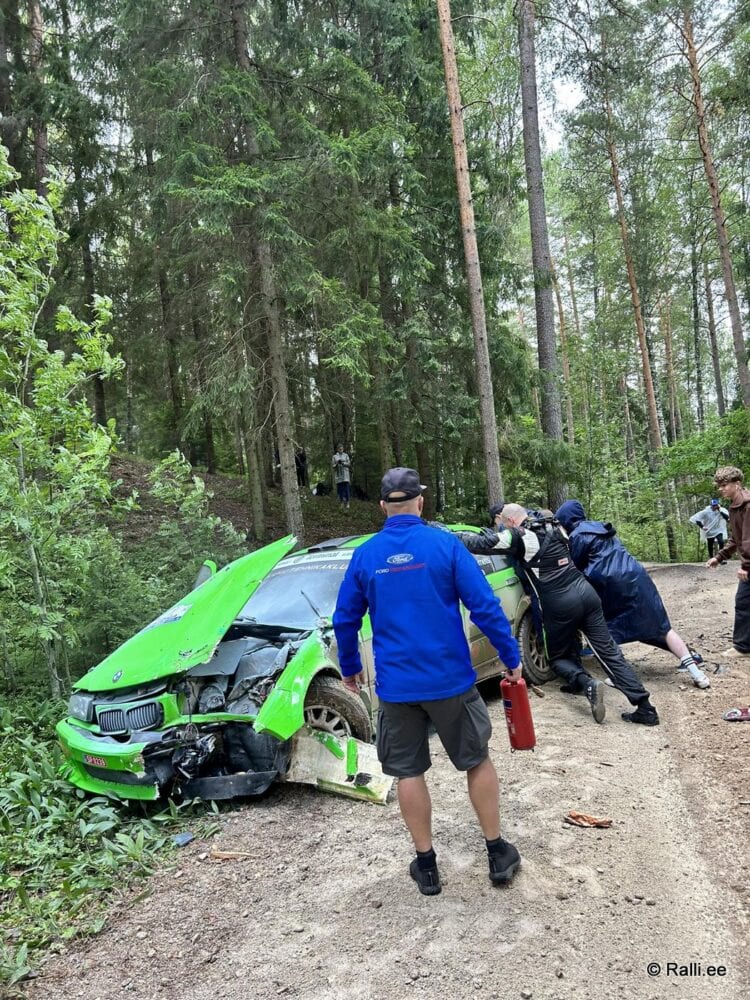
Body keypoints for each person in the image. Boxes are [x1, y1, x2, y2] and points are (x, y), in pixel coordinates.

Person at [332, 468, 523, 896]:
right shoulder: (444, 546)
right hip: (451, 681)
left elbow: (344, 618)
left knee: (408, 772)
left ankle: (427, 866)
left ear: (383, 506)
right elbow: (485, 607)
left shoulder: (366, 555)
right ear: (421, 502)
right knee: (476, 760)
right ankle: (496, 853)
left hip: (398, 688)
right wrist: (510, 658)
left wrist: (349, 667)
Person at [461, 504, 660, 726]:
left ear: (509, 521)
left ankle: (586, 684)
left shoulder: (519, 535)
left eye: (503, 524)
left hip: (558, 602)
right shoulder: (554, 525)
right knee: (608, 652)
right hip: (586, 593)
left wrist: (444, 534)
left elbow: (479, 544)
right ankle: (645, 708)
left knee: (557, 658)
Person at [555, 500, 711, 690]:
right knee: (663, 627)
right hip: (637, 577)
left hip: (611, 586)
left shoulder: (577, 535)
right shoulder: (600, 528)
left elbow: (575, 567)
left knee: (604, 630)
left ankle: (619, 676)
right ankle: (696, 673)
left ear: (566, 519)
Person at [706, 466, 750, 657]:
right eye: (719, 486)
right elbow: (736, 538)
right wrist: (719, 557)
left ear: (737, 484)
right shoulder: (735, 505)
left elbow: (749, 539)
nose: (720, 489)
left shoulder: (747, 506)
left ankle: (742, 647)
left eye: (724, 485)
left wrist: (746, 566)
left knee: (743, 602)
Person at [332, 443, 351, 509]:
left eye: (342, 449)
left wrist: (343, 463)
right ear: (337, 449)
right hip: (338, 476)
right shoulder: (334, 456)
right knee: (340, 490)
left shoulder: (346, 455)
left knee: (346, 489)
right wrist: (337, 463)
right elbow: (333, 466)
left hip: (345, 476)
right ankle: (342, 503)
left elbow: (349, 464)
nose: (341, 450)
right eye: (339, 449)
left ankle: (348, 502)